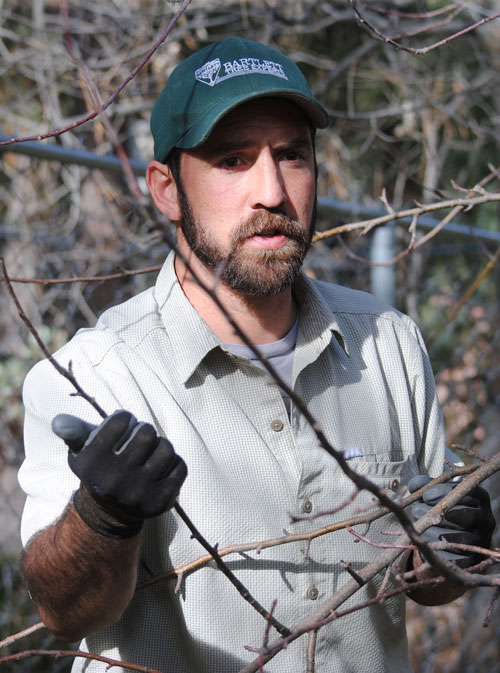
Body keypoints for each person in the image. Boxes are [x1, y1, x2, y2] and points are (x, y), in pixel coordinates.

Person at [18, 37, 495, 673]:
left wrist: (451, 550)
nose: (271, 190)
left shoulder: (388, 343)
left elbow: (432, 581)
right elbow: (64, 611)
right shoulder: (97, 376)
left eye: (292, 155)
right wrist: (104, 517)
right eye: (233, 159)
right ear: (166, 188)